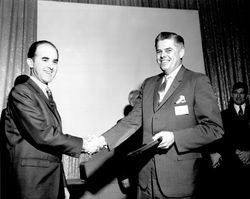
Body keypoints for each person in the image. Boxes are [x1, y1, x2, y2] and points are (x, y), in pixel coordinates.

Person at [90, 32, 224, 199]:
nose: (162, 56)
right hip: (145, 181)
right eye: (159, 51)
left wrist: (175, 137)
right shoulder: (149, 84)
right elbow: (131, 121)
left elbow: (214, 129)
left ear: (181, 52)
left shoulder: (197, 81)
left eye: (168, 50)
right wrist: (101, 141)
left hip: (180, 182)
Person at [1, 40, 101, 199]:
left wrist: (63, 185)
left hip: (48, 183)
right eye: (45, 59)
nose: (51, 66)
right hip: (31, 184)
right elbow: (44, 135)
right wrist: (84, 144)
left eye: (55, 61)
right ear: (30, 62)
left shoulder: (44, 94)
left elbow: (52, 148)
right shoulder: (22, 92)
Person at [220, 82, 250, 198]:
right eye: (235, 93)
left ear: (246, 96)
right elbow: (221, 140)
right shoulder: (223, 115)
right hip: (232, 167)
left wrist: (249, 153)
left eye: (242, 93)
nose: (238, 96)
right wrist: (236, 152)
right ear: (232, 95)